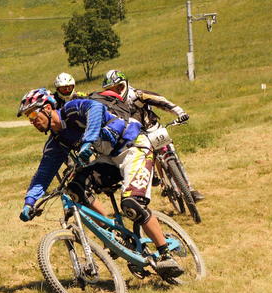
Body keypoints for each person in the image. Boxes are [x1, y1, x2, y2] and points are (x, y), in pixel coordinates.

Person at [16, 88, 184, 278]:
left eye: (32, 114)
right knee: (75, 188)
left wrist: (88, 140)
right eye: (27, 118)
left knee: (132, 204)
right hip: (109, 158)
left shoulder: (72, 109)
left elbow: (95, 109)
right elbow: (44, 173)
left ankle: (165, 255)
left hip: (134, 147)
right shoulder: (57, 140)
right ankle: (114, 234)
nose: (31, 120)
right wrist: (29, 201)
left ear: (47, 108)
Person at [102, 69, 204, 202]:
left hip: (153, 128)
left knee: (172, 154)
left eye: (119, 87)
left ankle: (189, 188)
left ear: (125, 84)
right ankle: (157, 179)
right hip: (136, 138)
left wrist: (180, 112)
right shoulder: (110, 105)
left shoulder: (137, 95)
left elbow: (160, 101)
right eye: (112, 90)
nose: (117, 91)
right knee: (142, 159)